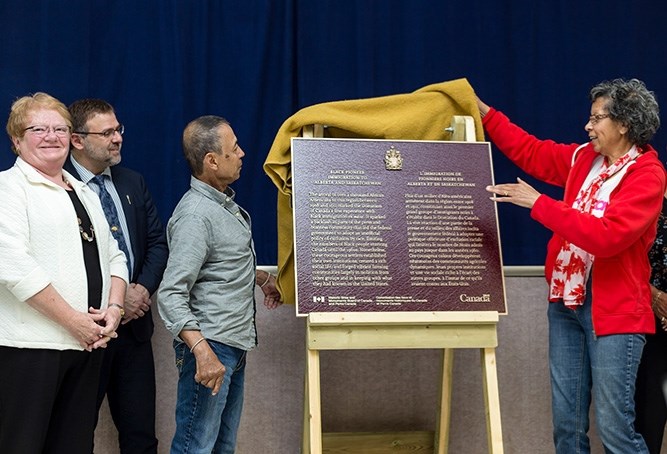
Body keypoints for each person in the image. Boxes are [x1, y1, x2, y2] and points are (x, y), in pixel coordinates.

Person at [477, 78, 665, 453]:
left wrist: (539, 204)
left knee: (615, 431)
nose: (588, 126)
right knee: (567, 428)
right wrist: (486, 114)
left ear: (624, 124)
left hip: (614, 310)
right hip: (566, 301)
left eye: (597, 119)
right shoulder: (584, 158)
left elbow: (607, 236)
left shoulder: (649, 175)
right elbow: (531, 151)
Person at [0, 92, 128, 453]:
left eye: (59, 128)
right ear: (16, 140)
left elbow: (114, 255)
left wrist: (114, 311)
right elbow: (12, 264)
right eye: (38, 129)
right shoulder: (8, 188)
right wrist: (74, 320)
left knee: (73, 446)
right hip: (30, 350)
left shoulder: (84, 191)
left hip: (86, 345)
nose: (51, 136)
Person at [157, 115, 282, 454]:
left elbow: (217, 265)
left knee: (221, 448)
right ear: (212, 161)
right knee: (194, 447)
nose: (242, 154)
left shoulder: (221, 206)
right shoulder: (196, 216)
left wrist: (261, 278)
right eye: (234, 148)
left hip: (231, 345)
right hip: (212, 349)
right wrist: (203, 351)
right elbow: (170, 294)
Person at [65, 98, 168, 453]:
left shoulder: (132, 182)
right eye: (107, 132)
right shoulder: (58, 187)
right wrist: (113, 302)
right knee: (75, 434)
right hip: (86, 331)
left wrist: (140, 289)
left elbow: (157, 244)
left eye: (118, 129)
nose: (117, 138)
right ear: (77, 140)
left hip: (135, 332)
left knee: (141, 436)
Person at [635, 195, 667, 454]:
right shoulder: (646, 195)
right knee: (649, 411)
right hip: (647, 318)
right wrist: (654, 296)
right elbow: (616, 257)